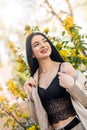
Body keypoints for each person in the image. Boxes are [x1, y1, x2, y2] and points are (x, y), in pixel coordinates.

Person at [24, 32, 87, 130]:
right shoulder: (34, 81)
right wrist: (31, 97)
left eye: (45, 41)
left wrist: (72, 86)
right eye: (37, 44)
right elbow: (37, 120)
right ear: (32, 54)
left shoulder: (65, 68)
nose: (43, 45)